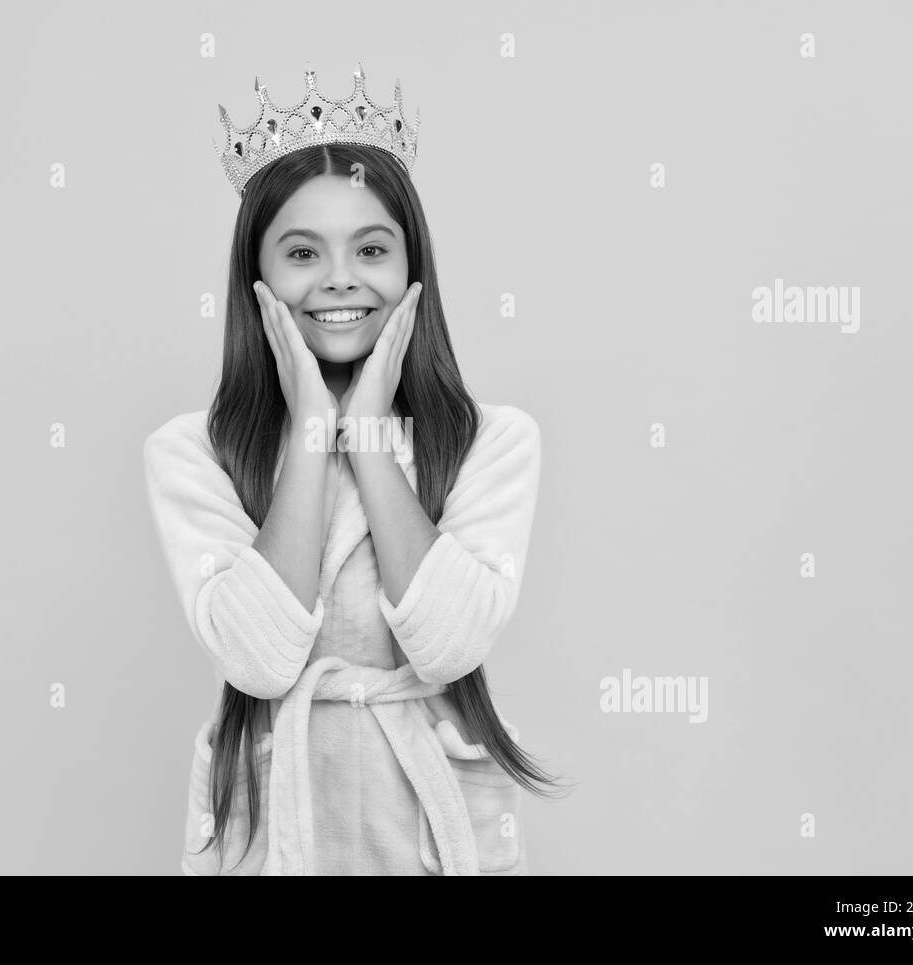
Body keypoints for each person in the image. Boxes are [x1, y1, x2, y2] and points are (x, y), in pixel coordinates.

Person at [144, 66, 565, 875]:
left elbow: (447, 645)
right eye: (303, 251)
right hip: (278, 822)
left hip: (430, 822)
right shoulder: (192, 451)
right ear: (256, 278)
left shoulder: (493, 441)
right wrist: (311, 432)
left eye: (370, 248)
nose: (339, 278)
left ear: (413, 269)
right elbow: (261, 661)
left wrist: (367, 435)